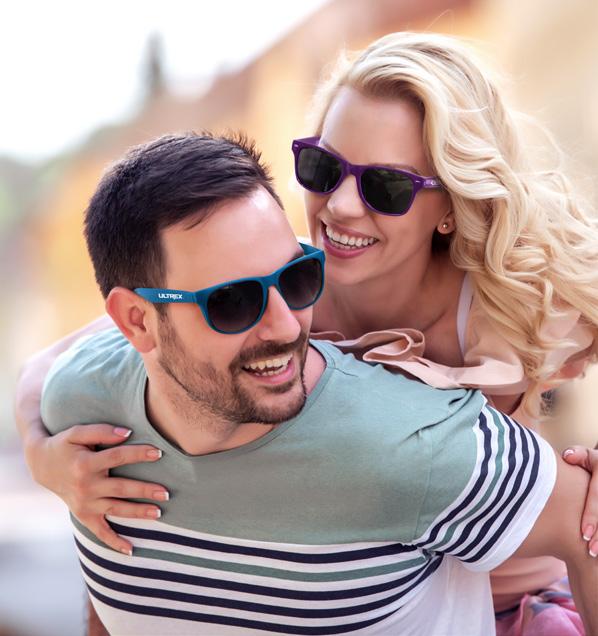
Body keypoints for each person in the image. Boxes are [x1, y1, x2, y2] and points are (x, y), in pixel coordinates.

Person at [14, 31, 598, 633]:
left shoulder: (514, 302)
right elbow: (60, 361)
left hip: (511, 602)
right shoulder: (275, 283)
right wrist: (42, 455)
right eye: (323, 168)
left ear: (450, 204)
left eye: (386, 186)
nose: (340, 205)